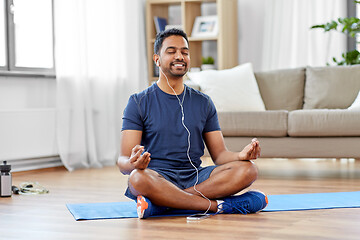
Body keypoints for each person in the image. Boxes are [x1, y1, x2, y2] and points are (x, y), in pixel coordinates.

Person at [117, 28, 268, 219]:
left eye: (185, 52)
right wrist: (132, 163)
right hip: (157, 178)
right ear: (157, 59)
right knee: (137, 178)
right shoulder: (138, 102)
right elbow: (122, 161)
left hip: (196, 177)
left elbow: (220, 156)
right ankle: (217, 206)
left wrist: (241, 155)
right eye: (171, 51)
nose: (179, 56)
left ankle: (164, 204)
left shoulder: (203, 102)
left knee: (248, 170)